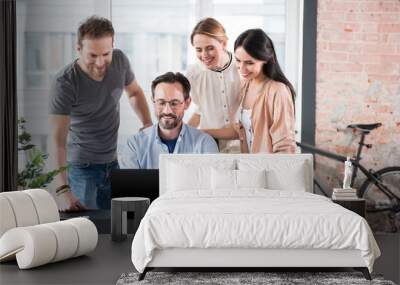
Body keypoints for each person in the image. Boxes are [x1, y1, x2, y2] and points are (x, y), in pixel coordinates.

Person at [49, 16, 152, 211]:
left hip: (112, 163)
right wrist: (63, 190)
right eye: (93, 55)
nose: (100, 62)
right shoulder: (65, 83)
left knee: (118, 226)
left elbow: (135, 93)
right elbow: (57, 141)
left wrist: (147, 124)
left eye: (106, 54)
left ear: (113, 46)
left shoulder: (120, 60)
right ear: (78, 49)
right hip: (82, 168)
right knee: (87, 231)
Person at [204, 29, 296, 153]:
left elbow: (285, 146)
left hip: (266, 169)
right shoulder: (245, 85)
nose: (242, 69)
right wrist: (203, 132)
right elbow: (242, 131)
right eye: (238, 60)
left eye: (249, 63)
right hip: (248, 167)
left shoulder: (278, 91)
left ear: (266, 59)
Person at [120, 72, 219, 169]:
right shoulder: (135, 145)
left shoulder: (205, 144)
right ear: (153, 102)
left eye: (174, 103)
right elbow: (129, 185)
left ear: (187, 103)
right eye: (161, 103)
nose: (167, 111)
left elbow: (212, 184)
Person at [186, 17, 241, 152]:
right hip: (210, 148)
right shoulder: (194, 73)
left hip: (243, 146)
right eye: (198, 50)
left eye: (210, 48)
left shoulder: (241, 67)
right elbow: (201, 110)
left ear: (223, 43)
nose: (204, 55)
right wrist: (184, 135)